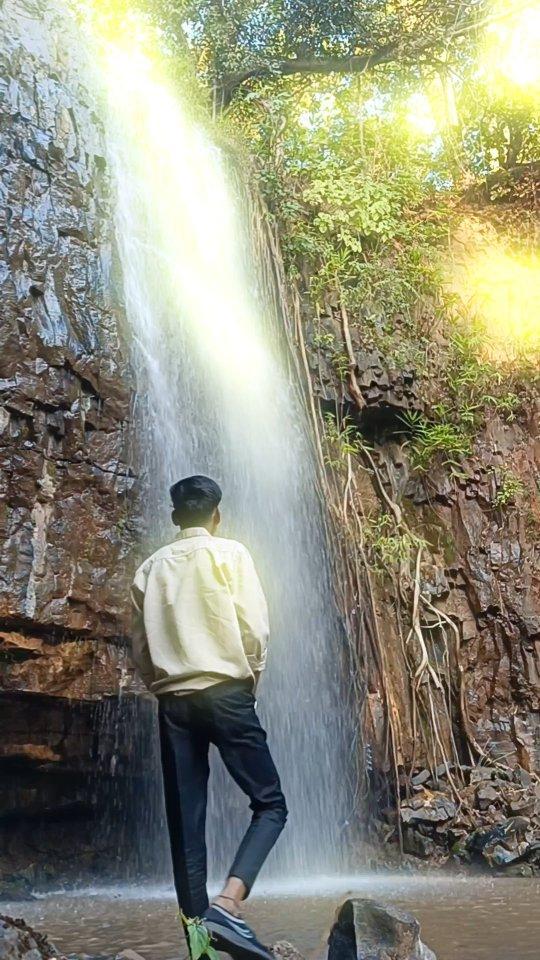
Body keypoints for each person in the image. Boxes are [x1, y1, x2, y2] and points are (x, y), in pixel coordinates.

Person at [130, 475, 287, 960]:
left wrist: (162, 683)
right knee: (270, 804)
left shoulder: (148, 570)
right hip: (226, 691)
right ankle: (228, 903)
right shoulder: (231, 554)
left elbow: (139, 647)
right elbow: (255, 631)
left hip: (174, 703)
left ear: (176, 518)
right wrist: (249, 682)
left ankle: (200, 946)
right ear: (216, 517)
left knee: (186, 824)